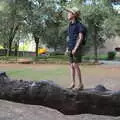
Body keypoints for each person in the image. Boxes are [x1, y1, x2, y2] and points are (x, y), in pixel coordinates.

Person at [65, 7, 86, 90]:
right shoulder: (70, 25)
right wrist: (67, 48)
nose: (68, 14)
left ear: (73, 15)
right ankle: (73, 83)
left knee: (75, 65)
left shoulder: (79, 25)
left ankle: (81, 84)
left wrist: (75, 49)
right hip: (70, 48)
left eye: (69, 12)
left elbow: (80, 38)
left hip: (76, 48)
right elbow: (69, 37)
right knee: (71, 66)